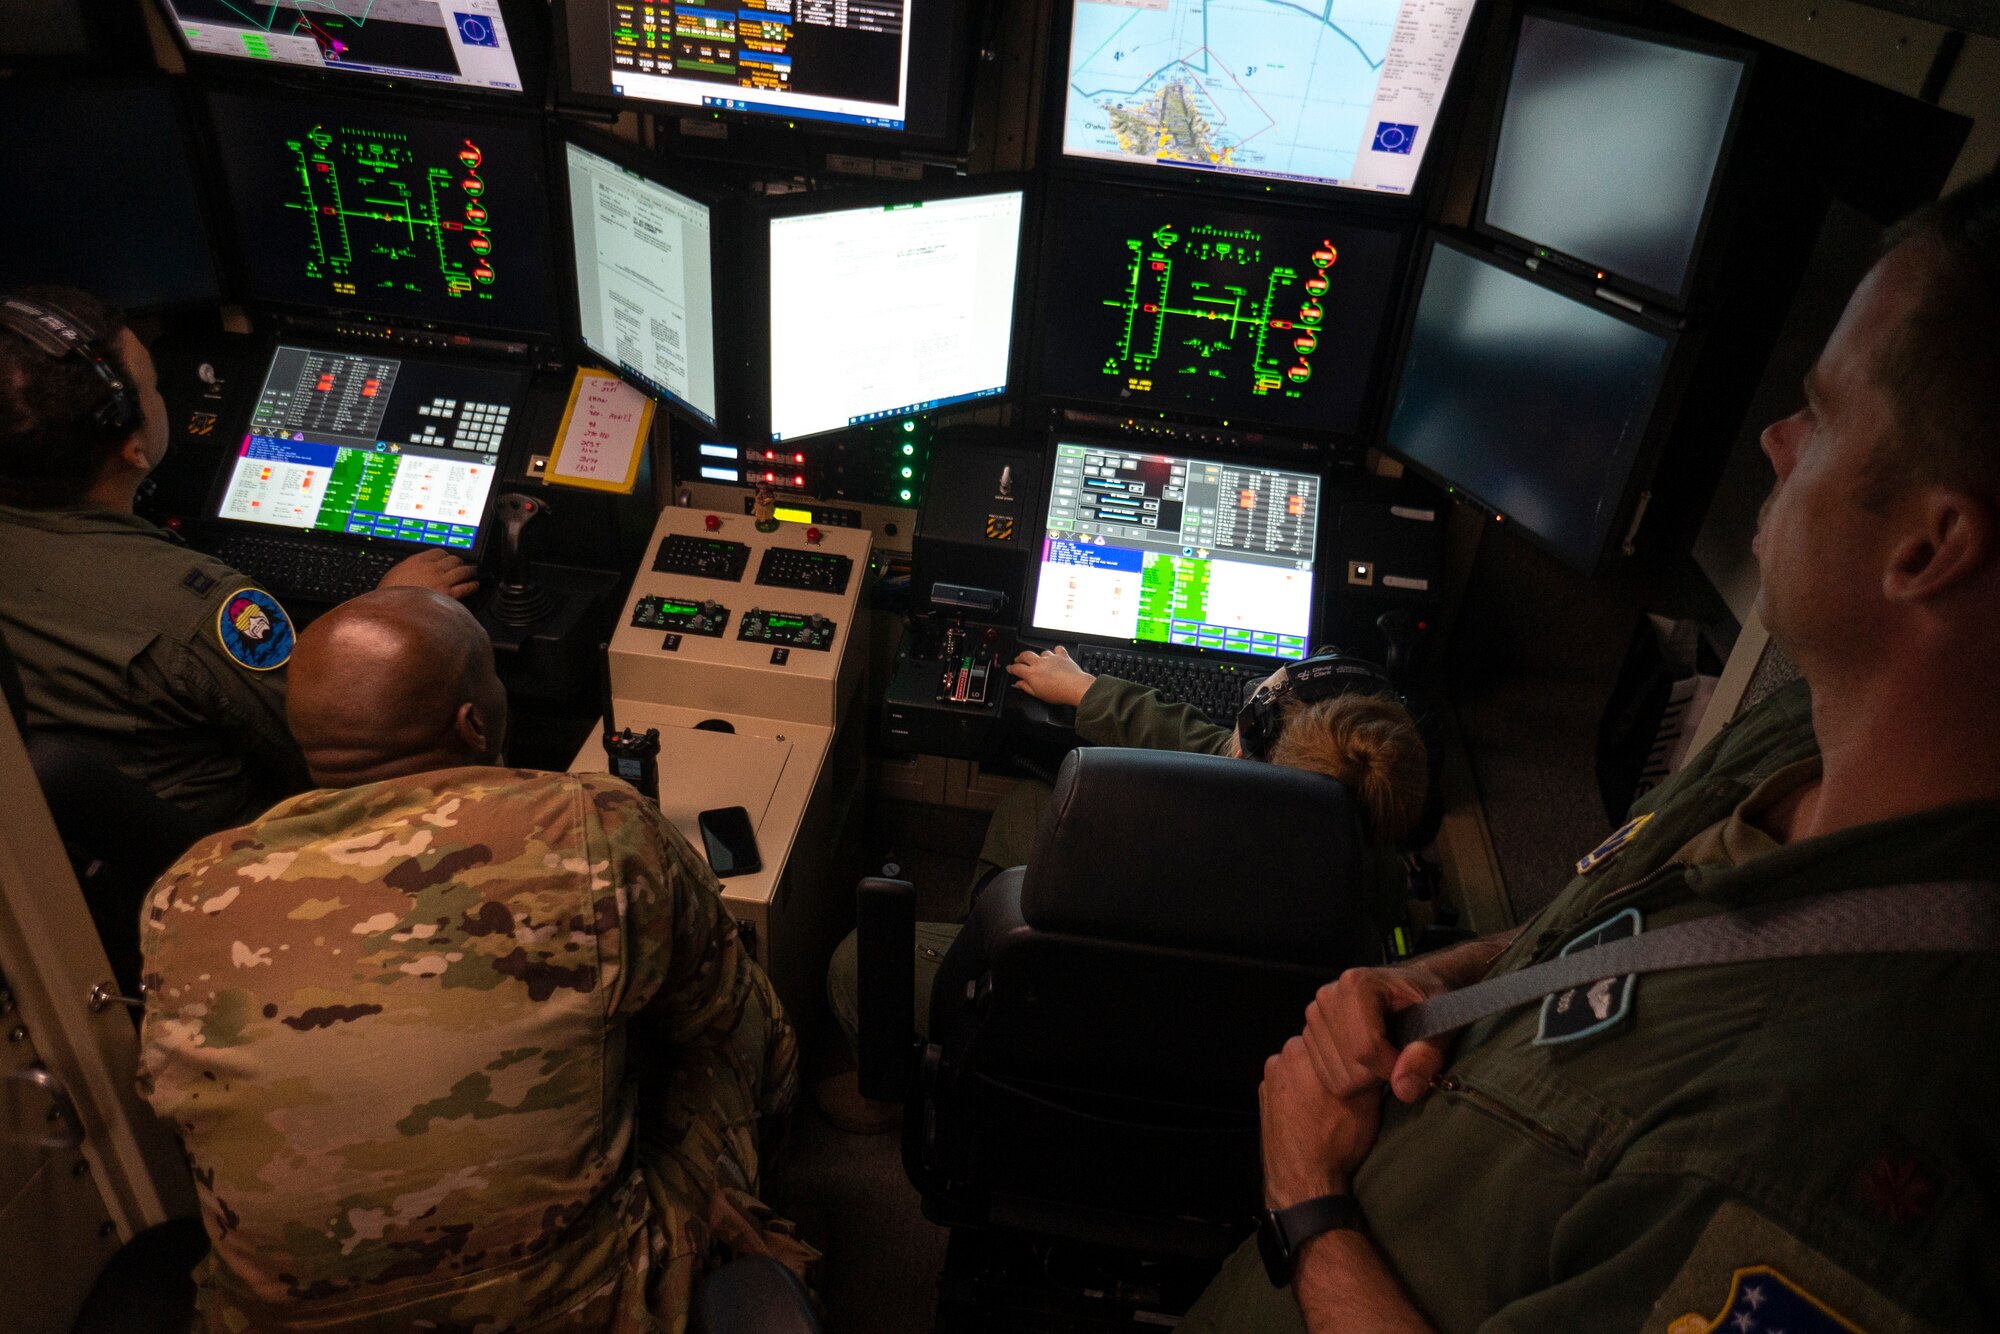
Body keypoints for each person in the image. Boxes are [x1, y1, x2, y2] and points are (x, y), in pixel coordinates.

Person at [1178, 174, 2000, 1331]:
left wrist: (1306, 1203)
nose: (1772, 439)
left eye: (1820, 413)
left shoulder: (1856, 1137)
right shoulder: (1807, 730)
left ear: (1928, 546)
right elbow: (1647, 933)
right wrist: (1451, 980)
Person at [135, 587, 814, 1332]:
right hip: (578, 1309)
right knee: (738, 1034)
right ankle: (749, 1229)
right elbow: (724, 1007)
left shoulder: (185, 893)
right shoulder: (595, 825)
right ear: (474, 720)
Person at [818, 650, 1431, 1133]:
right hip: (1219, 1066)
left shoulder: (1166, 839)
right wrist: (1090, 691)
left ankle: (904, 1089)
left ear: (1246, 752)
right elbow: (1212, 749)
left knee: (855, 965)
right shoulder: (1368, 874)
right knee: (1029, 807)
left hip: (1071, 1014)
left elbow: (1213, 753)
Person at [0, 287, 477, 826]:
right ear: (132, 447)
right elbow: (336, 745)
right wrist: (392, 609)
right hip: (236, 851)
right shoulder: (203, 609)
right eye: (156, 386)